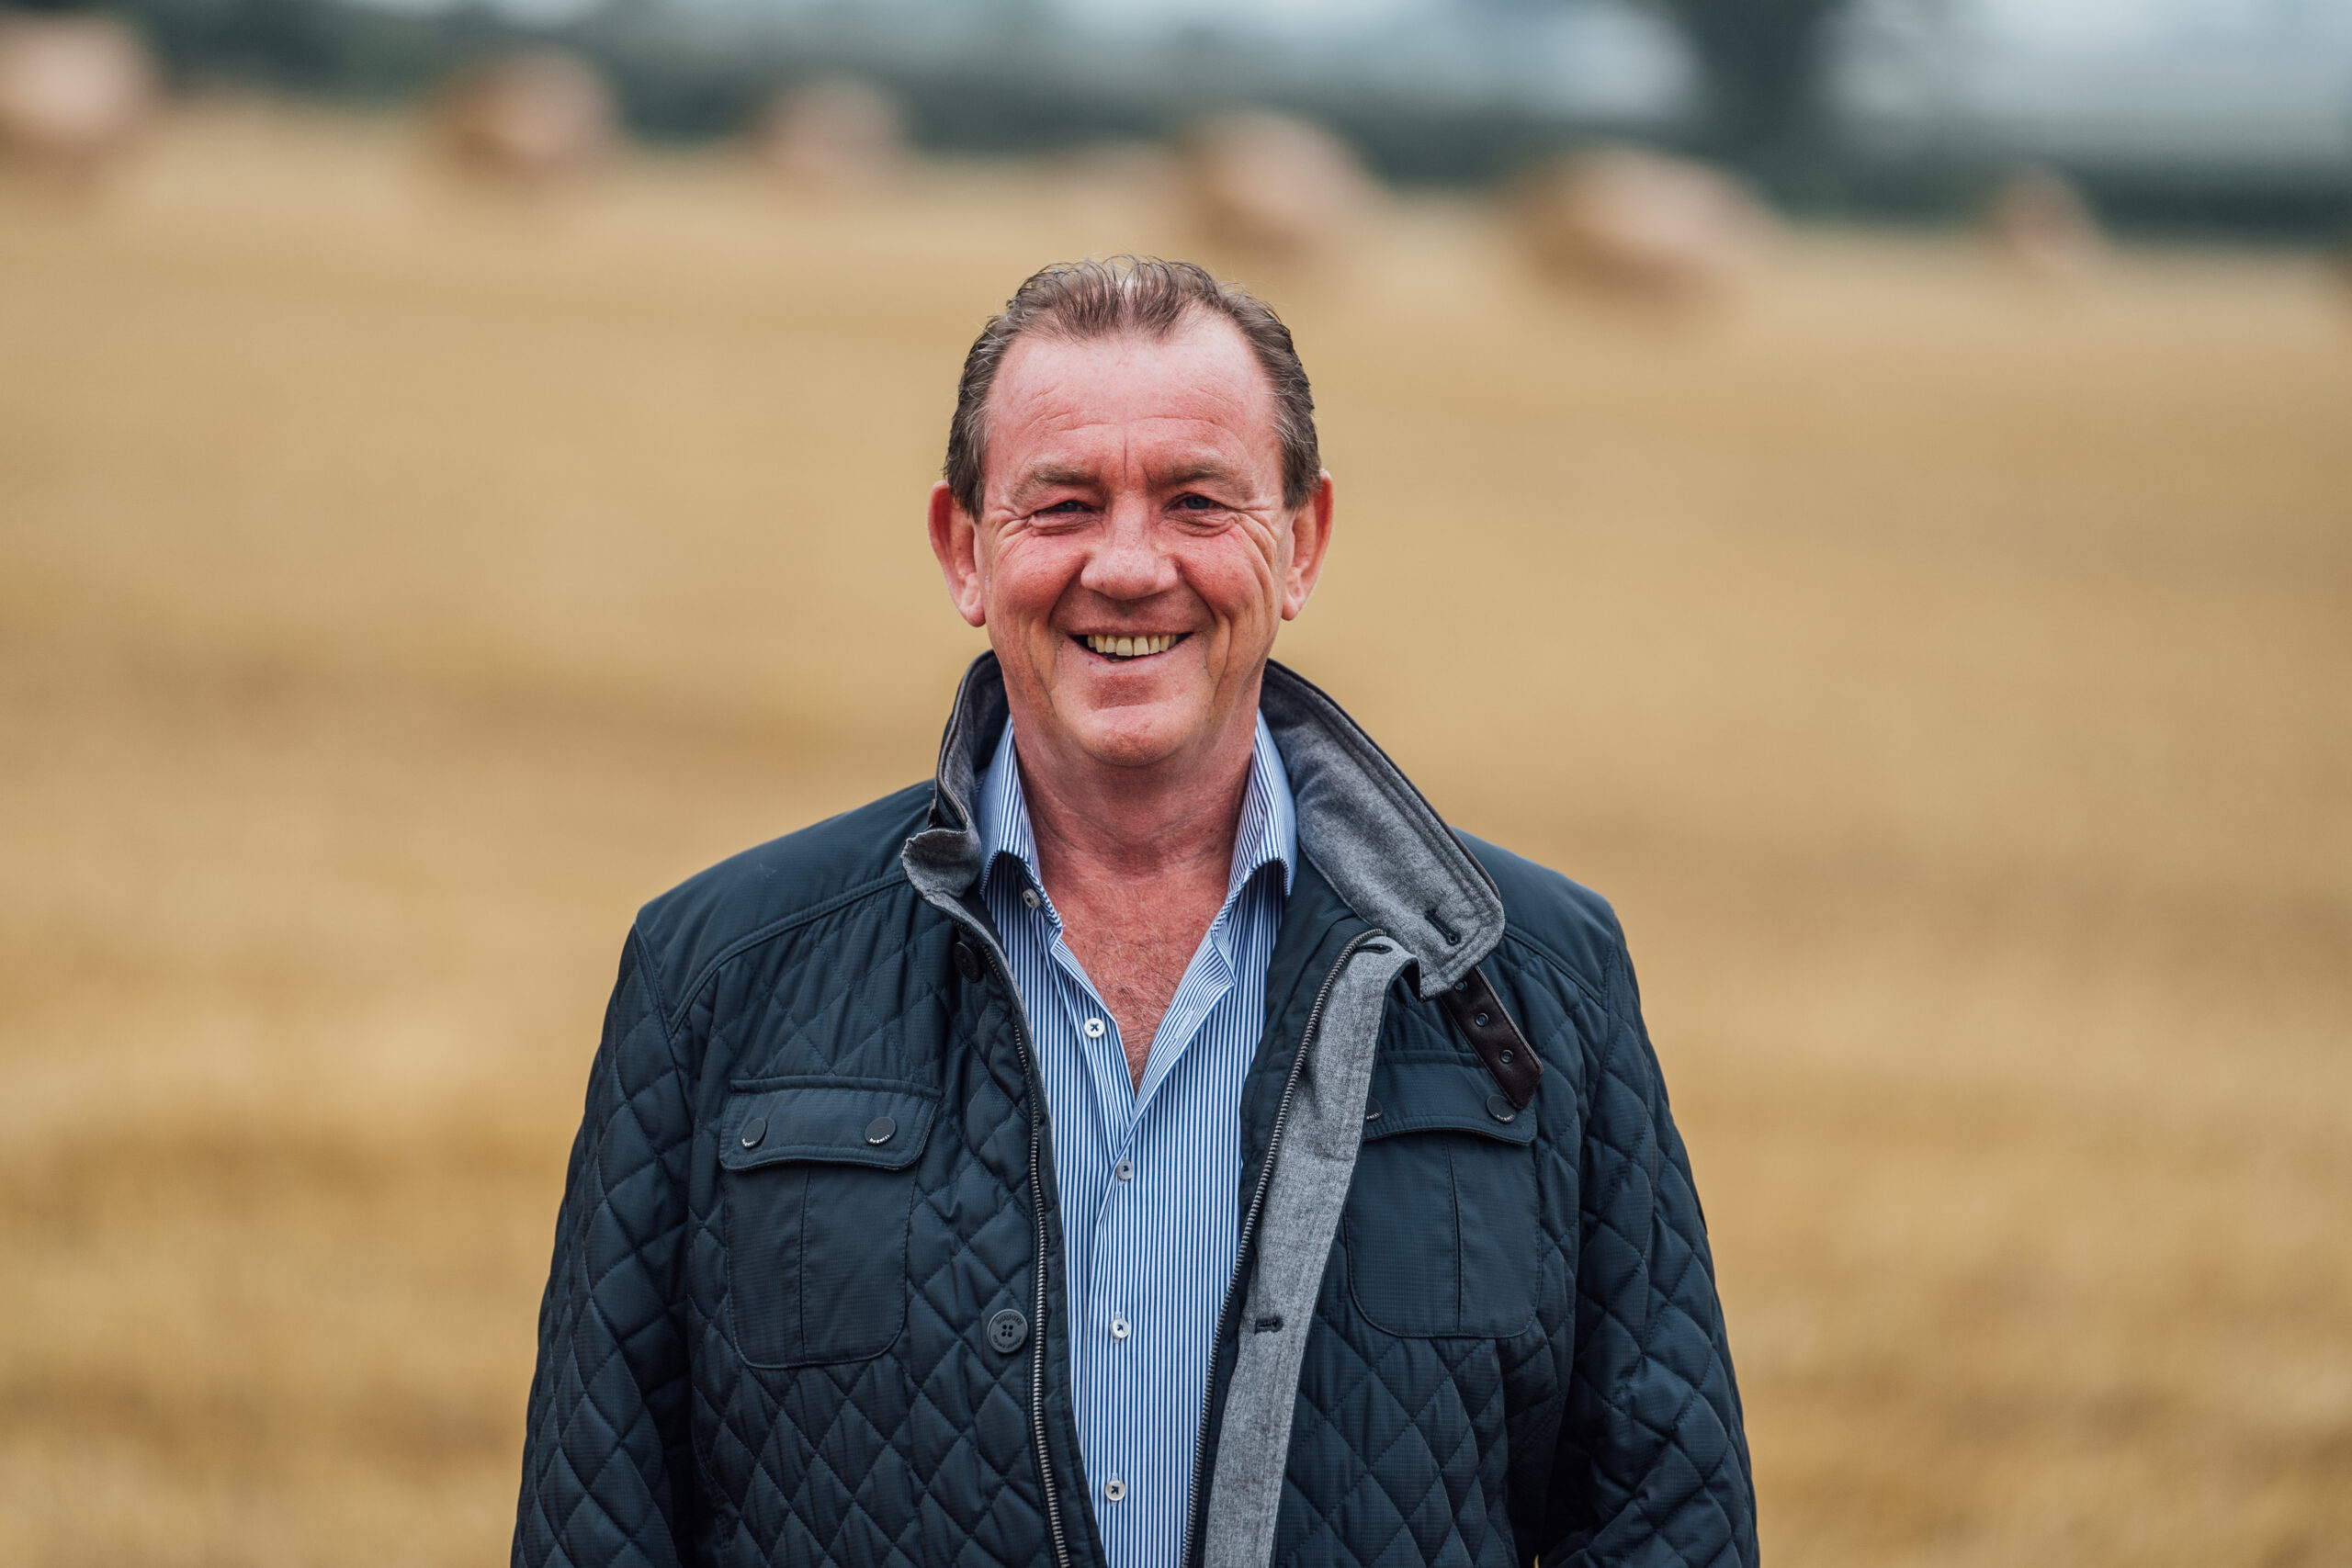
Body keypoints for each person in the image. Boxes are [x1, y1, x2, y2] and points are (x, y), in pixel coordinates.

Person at [514, 256, 1755, 1568]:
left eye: (1196, 502)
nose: (1125, 565)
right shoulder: (716, 973)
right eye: (1062, 506)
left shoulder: (1529, 978)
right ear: (963, 549)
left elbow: (1666, 1524)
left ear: (1303, 543)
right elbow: (598, 1520)